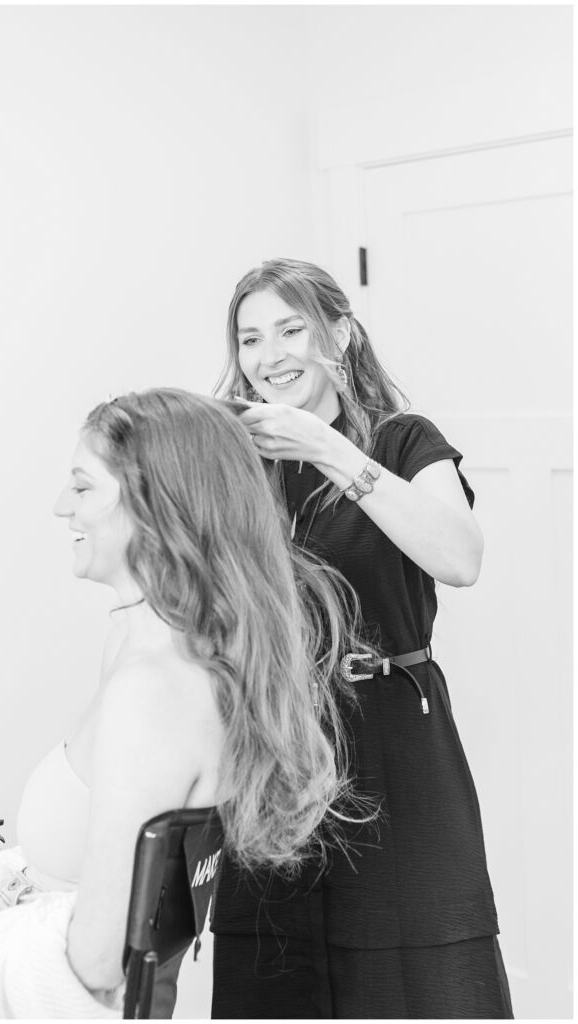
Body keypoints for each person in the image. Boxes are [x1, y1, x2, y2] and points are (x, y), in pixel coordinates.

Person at [0, 388, 372, 1019]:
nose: (60, 506)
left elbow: (96, 964)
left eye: (83, 487)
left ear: (153, 508)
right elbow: (89, 876)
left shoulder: (157, 691)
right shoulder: (154, 651)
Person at [210, 258, 514, 1019]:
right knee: (277, 975)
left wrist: (330, 449)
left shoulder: (402, 439)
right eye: (250, 339)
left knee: (420, 982)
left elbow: (460, 557)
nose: (269, 355)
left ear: (339, 333)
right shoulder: (239, 460)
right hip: (276, 749)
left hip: (396, 743)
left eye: (290, 329)